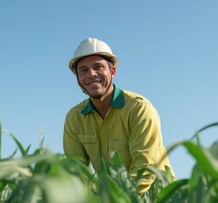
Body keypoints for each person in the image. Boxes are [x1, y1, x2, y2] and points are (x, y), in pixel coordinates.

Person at [63, 38, 175, 194]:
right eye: (83, 70)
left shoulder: (139, 109)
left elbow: (145, 168)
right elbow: (76, 173)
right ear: (77, 78)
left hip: (158, 201)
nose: (91, 74)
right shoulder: (74, 118)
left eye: (98, 67)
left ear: (113, 71)